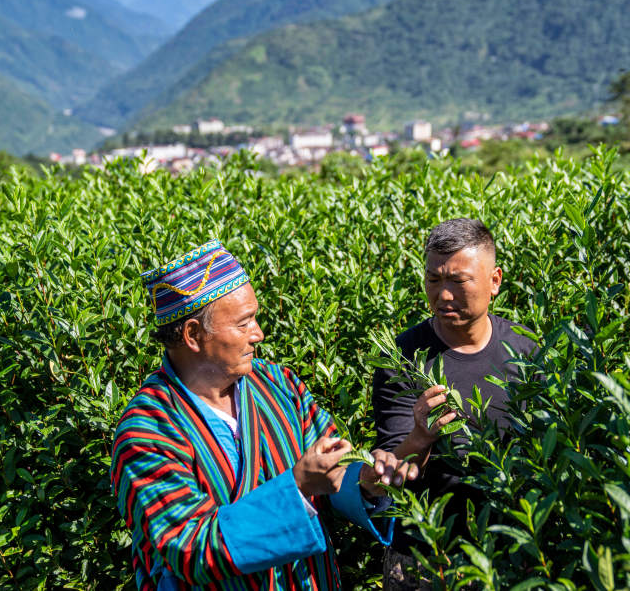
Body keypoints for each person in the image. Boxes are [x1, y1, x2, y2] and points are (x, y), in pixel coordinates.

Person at [111, 239, 418, 591]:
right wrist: (298, 488)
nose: (258, 334)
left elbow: (333, 462)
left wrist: (363, 477)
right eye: (243, 323)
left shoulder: (279, 385)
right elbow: (189, 548)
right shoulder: (148, 431)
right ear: (194, 335)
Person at [371, 218, 538, 590]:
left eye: (459, 281)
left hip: (512, 553)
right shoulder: (403, 357)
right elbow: (393, 472)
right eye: (433, 280)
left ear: (494, 281)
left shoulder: (526, 352)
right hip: (427, 558)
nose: (443, 294)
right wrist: (420, 436)